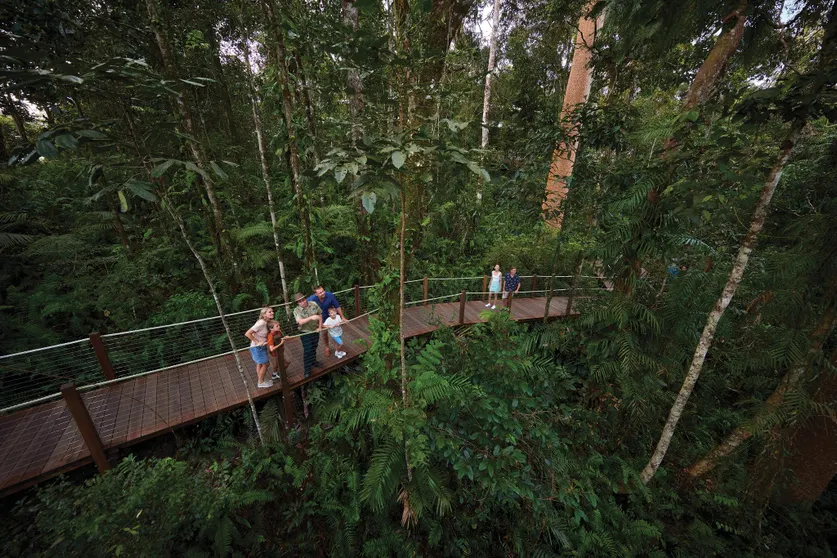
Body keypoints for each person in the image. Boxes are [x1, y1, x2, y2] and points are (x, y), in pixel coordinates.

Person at [308, 286, 346, 357]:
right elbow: (306, 306)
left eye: (323, 291)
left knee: (336, 330)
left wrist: (342, 317)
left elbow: (337, 307)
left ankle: (337, 348)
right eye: (320, 292)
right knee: (324, 333)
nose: (323, 293)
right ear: (316, 294)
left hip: (331, 315)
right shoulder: (311, 299)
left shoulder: (330, 295)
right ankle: (327, 348)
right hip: (321, 318)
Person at [293, 292, 322, 379]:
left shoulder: (313, 304)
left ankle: (313, 361)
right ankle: (307, 369)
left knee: (314, 346)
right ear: (298, 303)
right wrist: (311, 318)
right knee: (308, 350)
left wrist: (320, 327)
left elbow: (320, 315)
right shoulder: (296, 310)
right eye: (300, 301)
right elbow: (300, 322)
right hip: (305, 332)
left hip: (315, 330)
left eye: (304, 299)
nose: (303, 302)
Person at [245, 307, 274, 389]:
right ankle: (260, 382)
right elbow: (248, 333)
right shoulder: (261, 323)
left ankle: (261, 380)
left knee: (260, 363)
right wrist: (258, 342)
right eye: (270, 312)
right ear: (264, 314)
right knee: (266, 363)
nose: (272, 313)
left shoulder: (266, 322)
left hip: (261, 347)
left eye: (272, 311)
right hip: (257, 347)